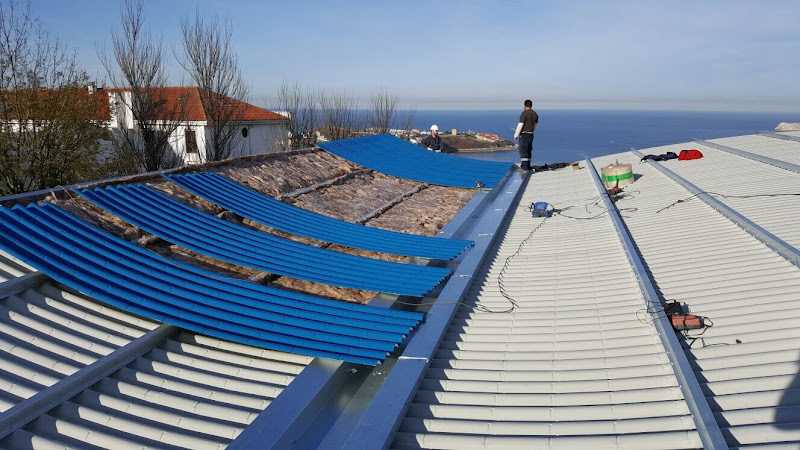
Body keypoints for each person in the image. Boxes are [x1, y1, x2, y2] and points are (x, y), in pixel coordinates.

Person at [513, 99, 539, 171]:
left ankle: (524, 167)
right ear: (531, 105)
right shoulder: (535, 114)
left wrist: (516, 135)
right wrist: (532, 131)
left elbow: (521, 124)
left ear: (524, 105)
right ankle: (528, 166)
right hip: (531, 134)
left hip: (524, 135)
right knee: (529, 150)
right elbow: (535, 125)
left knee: (523, 150)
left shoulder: (524, 113)